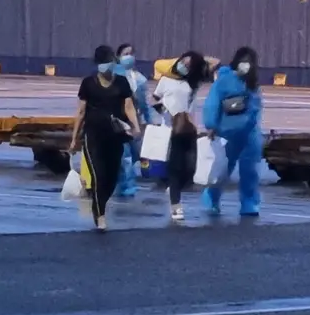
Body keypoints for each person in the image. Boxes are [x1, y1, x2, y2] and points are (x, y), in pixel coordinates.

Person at [70, 45, 142, 232]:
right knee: (98, 175)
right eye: (103, 62)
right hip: (93, 136)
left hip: (115, 136)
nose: (106, 66)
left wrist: (135, 126)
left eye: (109, 62)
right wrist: (74, 138)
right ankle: (100, 214)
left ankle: (100, 202)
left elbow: (128, 107)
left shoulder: (121, 82)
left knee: (111, 177)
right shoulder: (88, 83)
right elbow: (81, 111)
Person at [202, 46, 263, 218]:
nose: (247, 65)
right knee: (221, 170)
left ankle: (249, 203)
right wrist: (211, 125)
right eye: (244, 61)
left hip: (249, 134)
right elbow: (212, 103)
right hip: (226, 132)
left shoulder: (252, 83)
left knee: (250, 171)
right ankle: (211, 198)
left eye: (250, 62)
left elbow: (256, 107)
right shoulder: (224, 80)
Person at [154, 51, 210, 222]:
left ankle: (173, 188)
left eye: (188, 65)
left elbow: (214, 62)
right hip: (171, 128)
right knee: (175, 167)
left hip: (188, 127)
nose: (183, 66)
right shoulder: (166, 79)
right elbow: (156, 98)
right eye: (182, 62)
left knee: (190, 168)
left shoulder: (192, 84)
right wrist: (163, 111)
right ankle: (175, 205)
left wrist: (198, 60)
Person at [112, 43, 151, 199]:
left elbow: (144, 103)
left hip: (135, 121)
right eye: (125, 53)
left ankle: (122, 182)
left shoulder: (139, 79)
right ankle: (127, 187)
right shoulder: (113, 75)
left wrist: (149, 120)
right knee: (125, 157)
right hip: (119, 121)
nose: (129, 56)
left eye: (131, 53)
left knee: (135, 155)